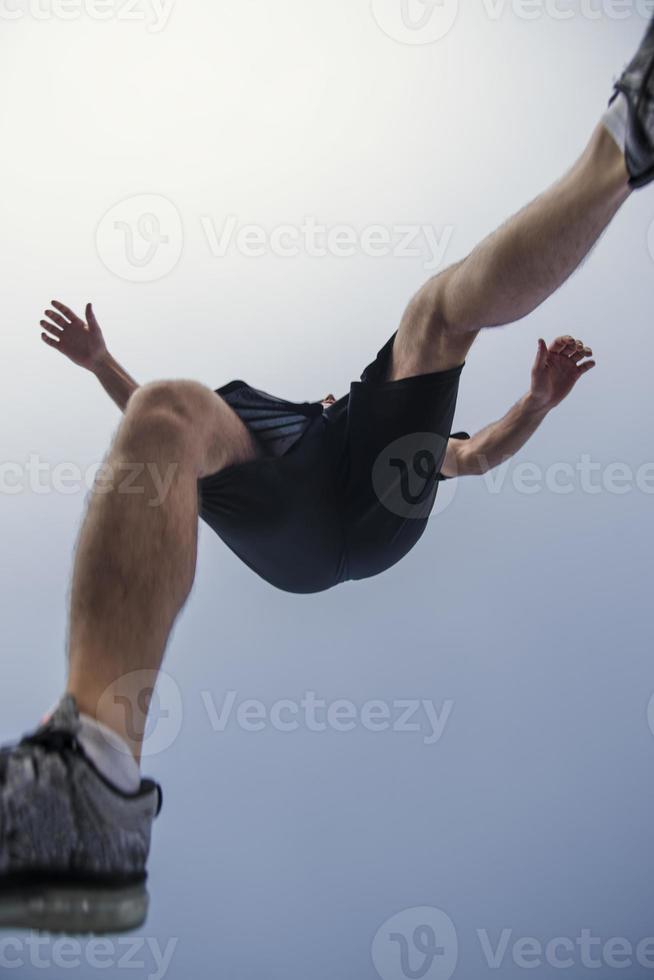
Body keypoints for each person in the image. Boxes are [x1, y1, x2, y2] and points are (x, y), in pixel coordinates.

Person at [0, 17, 651, 935]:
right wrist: (105, 363)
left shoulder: (373, 431)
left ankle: (627, 142)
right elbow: (161, 433)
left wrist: (533, 407)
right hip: (306, 525)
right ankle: (93, 767)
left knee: (433, 313)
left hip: (357, 512)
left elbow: (470, 455)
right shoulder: (257, 428)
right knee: (168, 409)